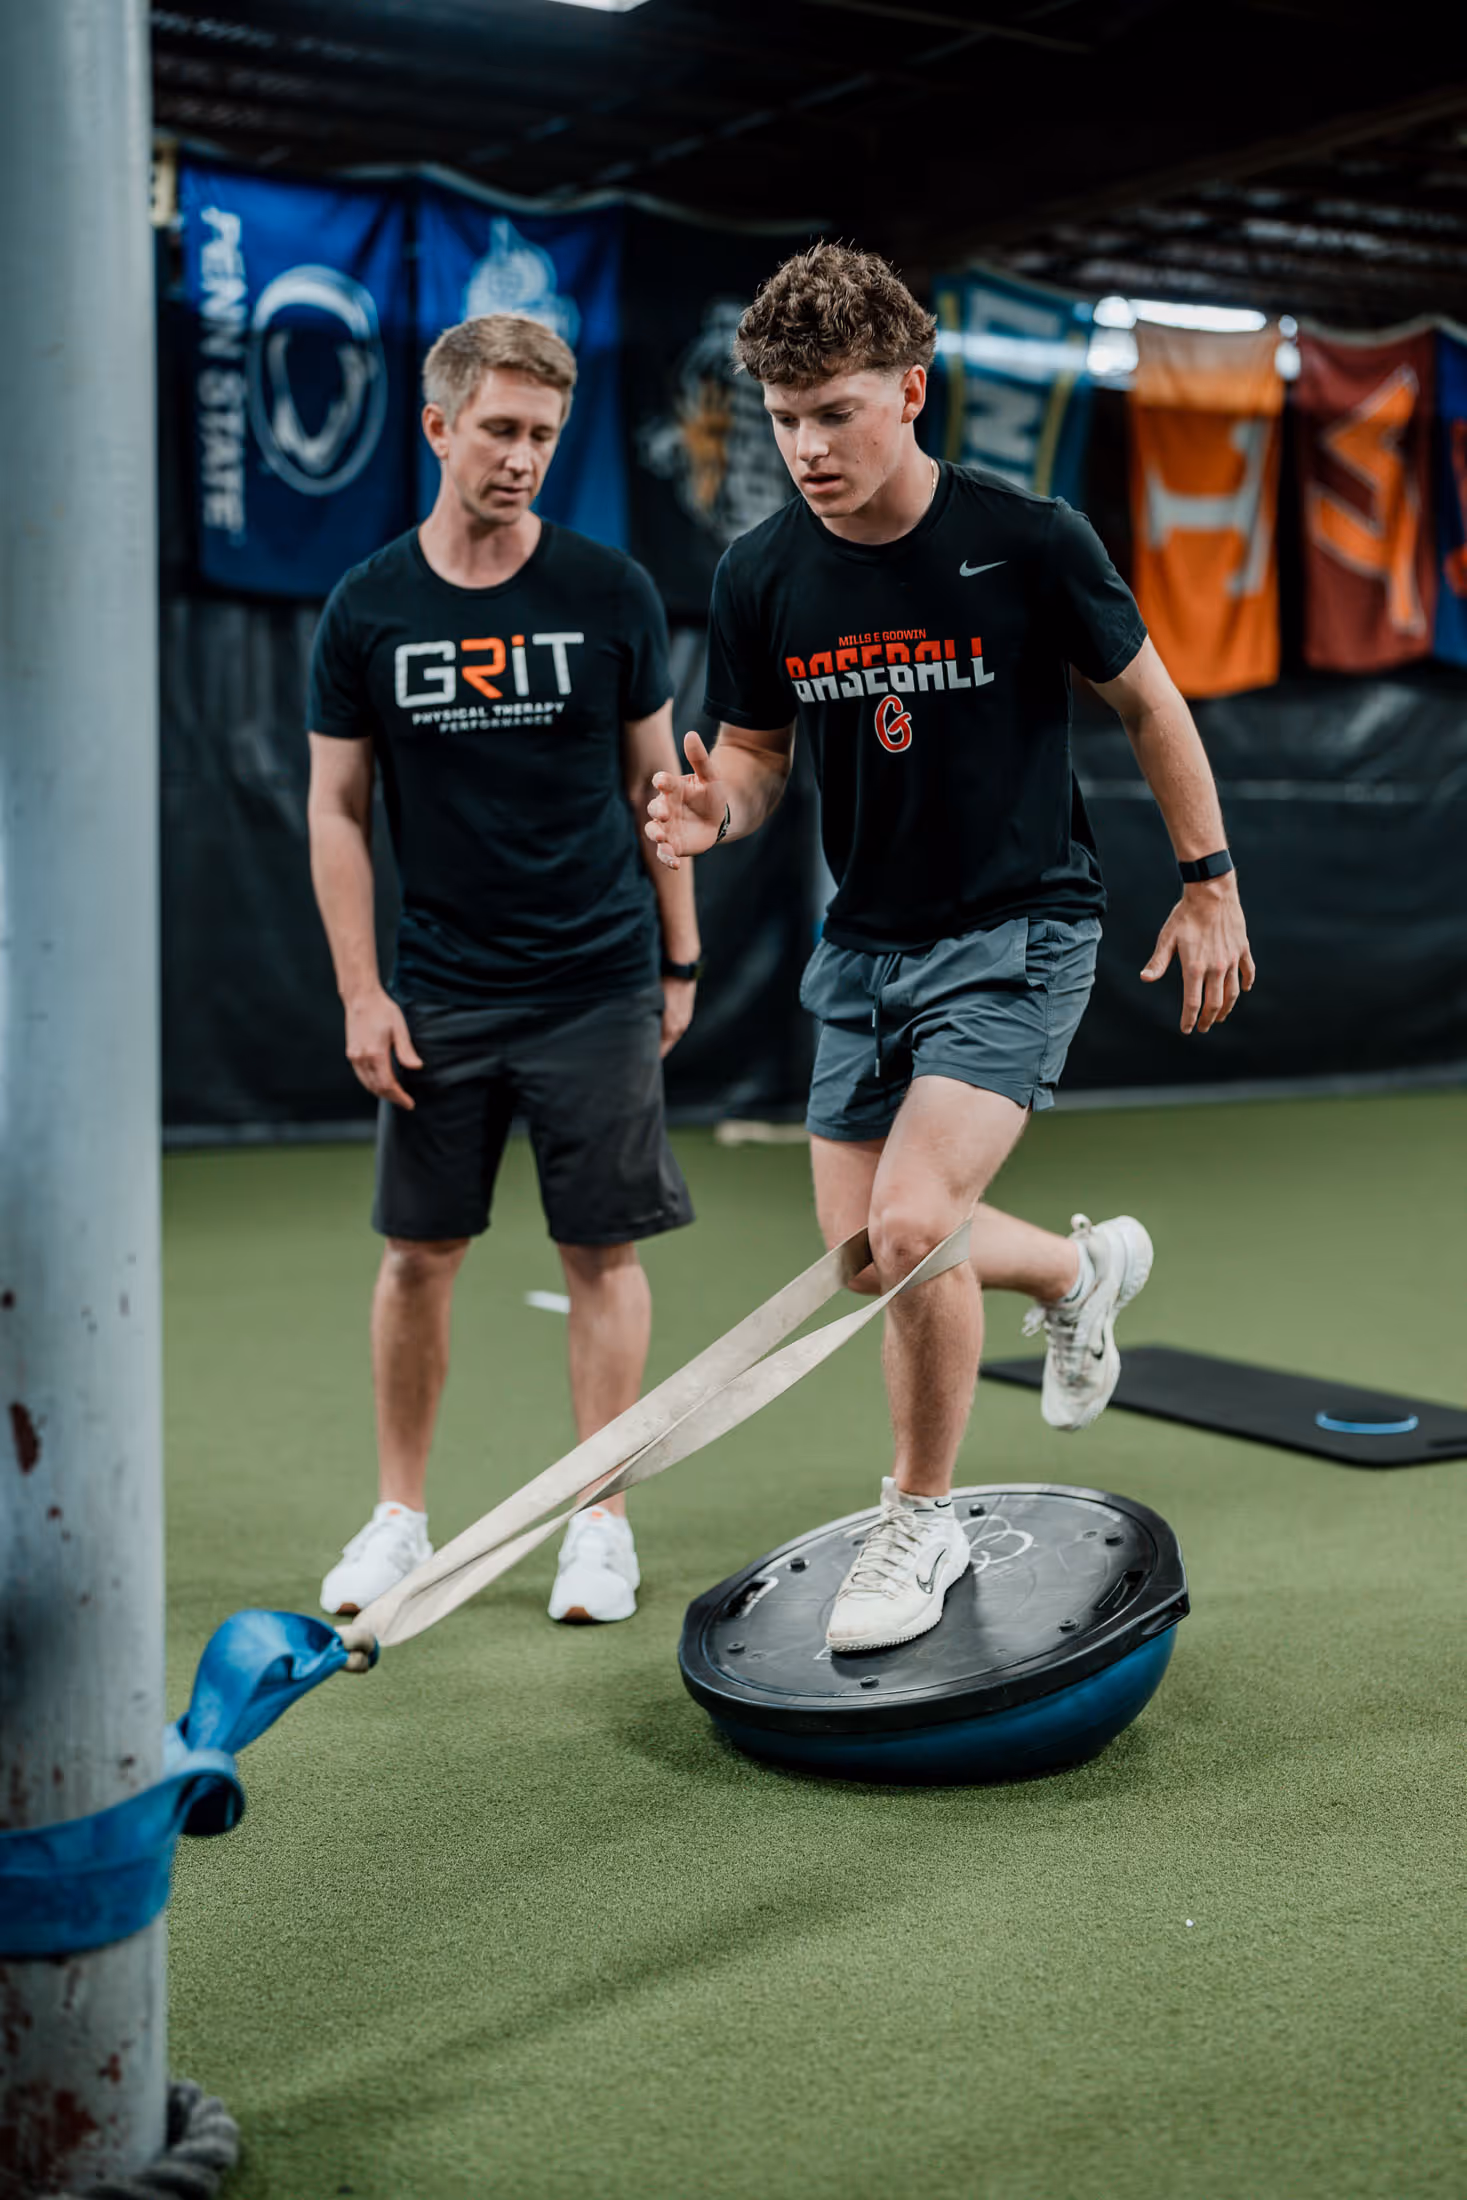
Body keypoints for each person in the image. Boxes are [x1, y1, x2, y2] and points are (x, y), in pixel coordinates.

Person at [646, 244, 1254, 1656]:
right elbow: (752, 758)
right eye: (783, 417)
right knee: (870, 1255)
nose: (804, 447)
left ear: (910, 392)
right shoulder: (759, 575)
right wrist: (708, 811)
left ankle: (920, 1519)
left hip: (1018, 926)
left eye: (836, 411)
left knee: (913, 1231)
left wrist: (1208, 881)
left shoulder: (1026, 539)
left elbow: (1151, 706)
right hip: (861, 948)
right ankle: (1072, 1272)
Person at [307, 313, 699, 1627]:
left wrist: (680, 956)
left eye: (542, 434)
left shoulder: (608, 593)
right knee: (418, 1258)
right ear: (437, 428)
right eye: (498, 431)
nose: (522, 456)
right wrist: (363, 989)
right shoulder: (369, 607)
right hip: (439, 991)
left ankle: (599, 1521)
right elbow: (336, 812)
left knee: (601, 1254)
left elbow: (660, 788)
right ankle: (398, 1519)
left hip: (595, 978)